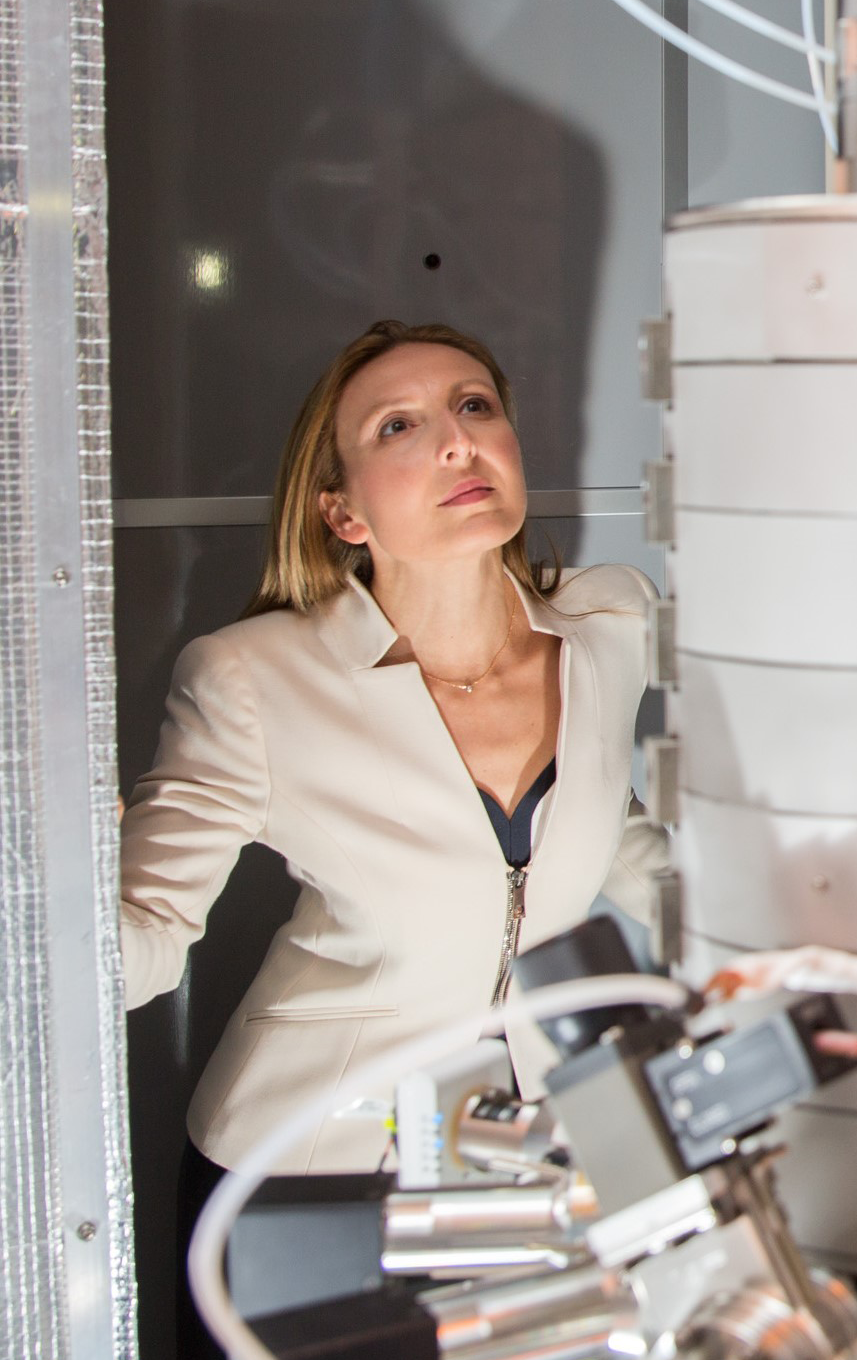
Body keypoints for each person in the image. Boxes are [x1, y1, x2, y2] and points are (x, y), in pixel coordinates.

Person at [120, 320, 669, 1342]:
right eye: (399, 427)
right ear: (343, 510)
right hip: (309, 1173)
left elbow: (609, 828)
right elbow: (144, 935)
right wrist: (41, 885)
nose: (458, 442)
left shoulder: (613, 627)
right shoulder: (251, 678)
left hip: (539, 1157)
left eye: (476, 407)